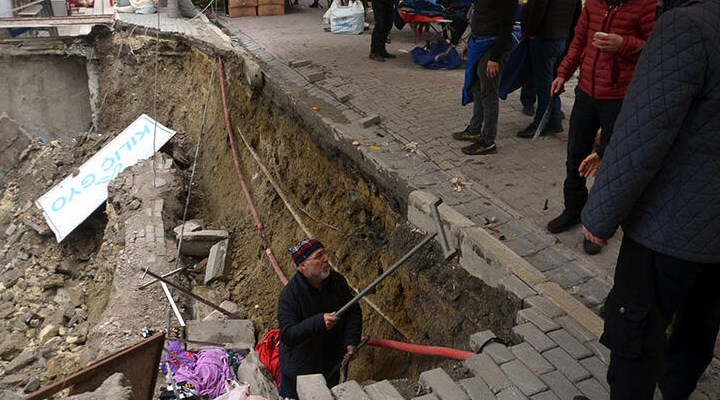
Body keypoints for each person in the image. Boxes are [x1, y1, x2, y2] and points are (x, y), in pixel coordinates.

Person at [581, 0, 720, 397]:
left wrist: (600, 216)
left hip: (669, 226)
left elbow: (643, 135)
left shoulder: (686, 26)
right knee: (699, 327)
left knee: (637, 337)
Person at [544, 0, 656, 255]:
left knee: (609, 164)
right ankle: (572, 210)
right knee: (575, 157)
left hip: (619, 98)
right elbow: (579, 40)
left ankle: (597, 225)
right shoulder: (593, 4)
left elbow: (657, 48)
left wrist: (624, 44)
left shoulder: (646, 5)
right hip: (586, 93)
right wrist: (563, 73)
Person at [277, 239, 362, 399]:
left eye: (325, 253)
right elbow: (288, 335)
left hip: (331, 362)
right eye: (318, 256)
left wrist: (351, 341)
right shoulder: (289, 296)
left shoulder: (337, 281)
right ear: (303, 266)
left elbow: (353, 310)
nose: (326, 258)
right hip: (300, 371)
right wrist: (318, 322)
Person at [451, 0, 516, 155]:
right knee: (477, 88)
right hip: (479, 44)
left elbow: (506, 27)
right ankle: (474, 129)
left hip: (493, 48)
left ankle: (488, 141)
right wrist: (470, 42)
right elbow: (479, 16)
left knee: (488, 93)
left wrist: (495, 58)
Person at [516, 0, 579, 138]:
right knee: (552, 81)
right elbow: (577, 13)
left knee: (543, 84)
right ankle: (554, 119)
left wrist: (530, 31)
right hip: (562, 37)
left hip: (544, 37)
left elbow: (539, 7)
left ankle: (541, 123)